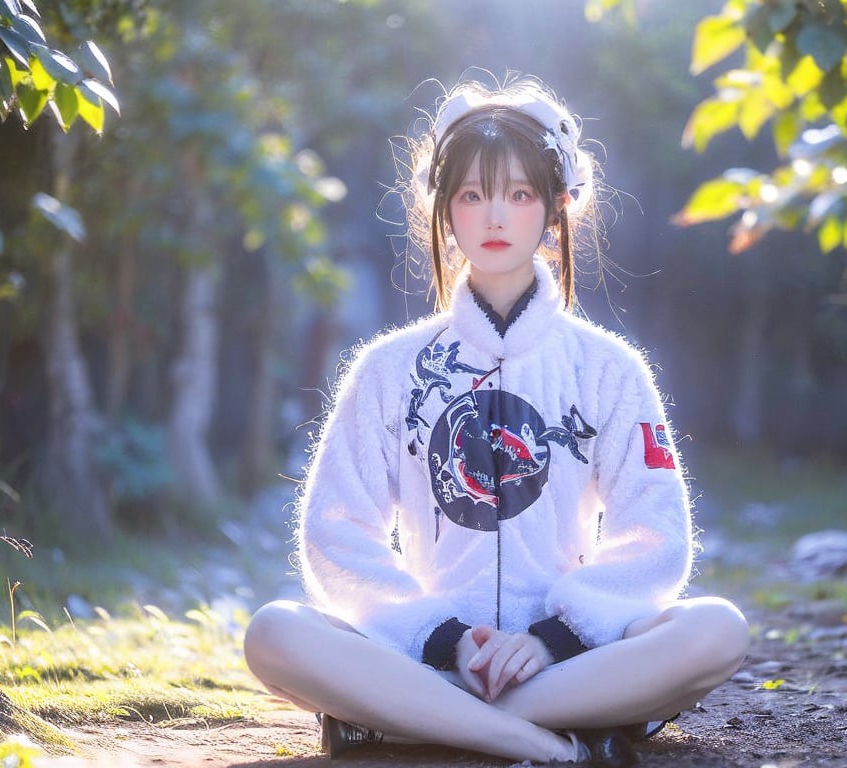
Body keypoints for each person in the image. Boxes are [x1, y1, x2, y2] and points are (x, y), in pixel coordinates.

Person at [244, 74, 750, 767]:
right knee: (274, 633)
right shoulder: (389, 369)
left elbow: (655, 535)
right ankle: (553, 743)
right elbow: (337, 533)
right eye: (472, 195)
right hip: (431, 655)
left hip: (566, 659)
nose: (494, 218)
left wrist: (552, 638)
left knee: (717, 630)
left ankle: (410, 723)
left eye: (518, 195)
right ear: (443, 209)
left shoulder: (609, 368)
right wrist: (445, 638)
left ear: (558, 206)